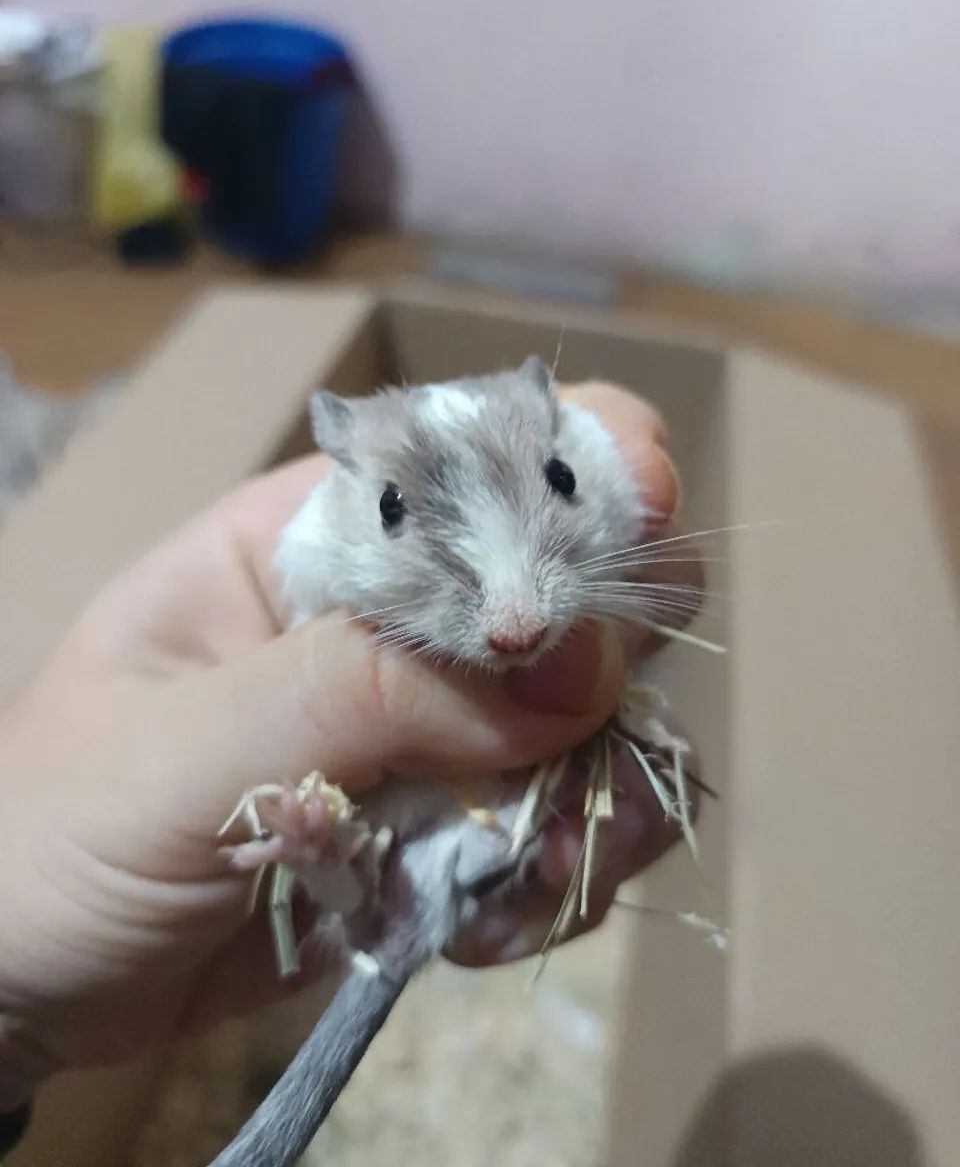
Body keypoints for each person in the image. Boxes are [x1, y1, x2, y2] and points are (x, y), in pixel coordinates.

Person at [0, 380, 695, 1155]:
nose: (515, 622)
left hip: (473, 833)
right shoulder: (314, 540)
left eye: (557, 482)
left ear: (558, 437)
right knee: (389, 858)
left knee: (453, 860)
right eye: (394, 510)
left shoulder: (585, 450)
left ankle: (346, 871)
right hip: (384, 837)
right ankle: (338, 866)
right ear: (346, 467)